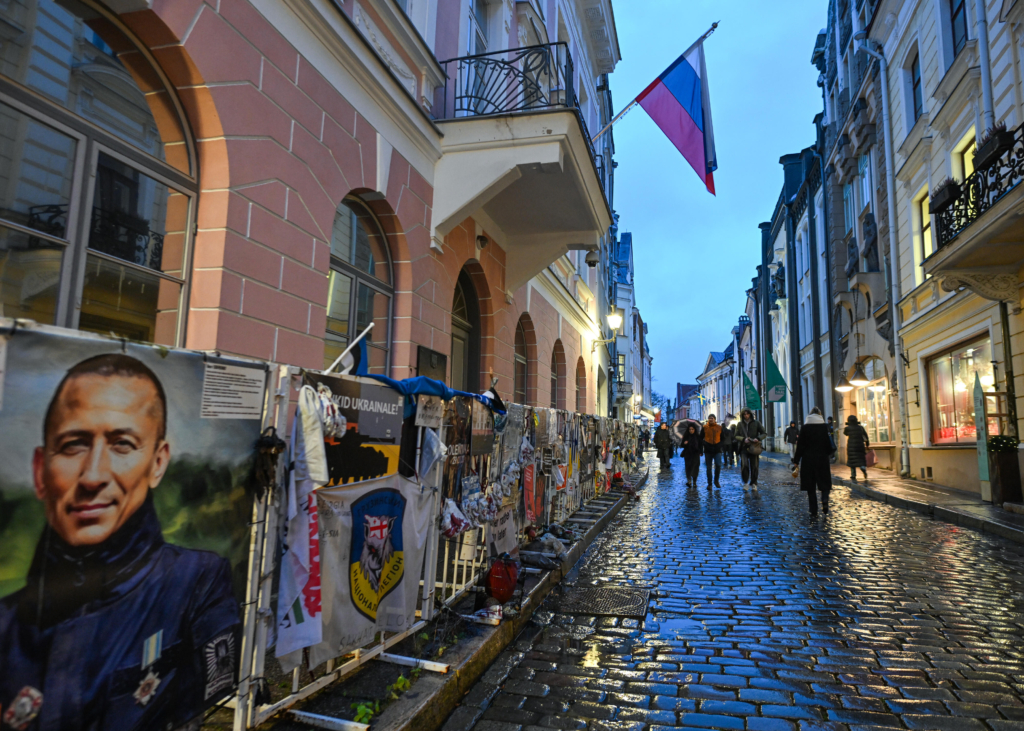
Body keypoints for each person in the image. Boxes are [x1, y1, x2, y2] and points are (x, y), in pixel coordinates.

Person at [0, 354, 240, 731]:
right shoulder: (6, 624)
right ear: (39, 469)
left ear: (158, 463)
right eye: (74, 445)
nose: (93, 475)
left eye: (122, 444)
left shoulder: (196, 583)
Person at [792, 407, 833, 517]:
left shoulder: (805, 428)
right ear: (820, 415)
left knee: (811, 487)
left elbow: (800, 446)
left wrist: (796, 460)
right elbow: (830, 446)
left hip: (808, 460)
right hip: (822, 459)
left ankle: (813, 510)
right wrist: (827, 454)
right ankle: (824, 498)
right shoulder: (825, 427)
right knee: (824, 483)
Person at [734, 408, 767, 489]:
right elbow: (735, 435)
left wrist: (758, 438)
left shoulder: (756, 423)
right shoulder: (739, 424)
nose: (746, 416)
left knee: (754, 466)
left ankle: (754, 483)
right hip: (743, 448)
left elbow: (764, 433)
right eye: (744, 414)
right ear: (742, 415)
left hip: (754, 447)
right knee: (744, 465)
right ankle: (745, 482)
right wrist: (743, 439)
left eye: (747, 414)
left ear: (750, 414)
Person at [844, 415, 870, 482]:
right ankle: (863, 468)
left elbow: (845, 433)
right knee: (861, 459)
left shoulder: (848, 428)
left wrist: (848, 425)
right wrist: (867, 444)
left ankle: (853, 475)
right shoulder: (860, 428)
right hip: (860, 445)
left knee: (852, 461)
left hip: (851, 446)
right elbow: (865, 436)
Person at [702, 414, 724, 488]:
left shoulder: (719, 427)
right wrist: (705, 443)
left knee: (718, 465)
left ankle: (716, 481)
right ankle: (710, 483)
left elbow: (723, 438)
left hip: (717, 450)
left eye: (712, 418)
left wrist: (720, 445)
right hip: (708, 450)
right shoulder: (704, 427)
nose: (710, 419)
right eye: (709, 418)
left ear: (715, 419)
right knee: (709, 467)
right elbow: (700, 437)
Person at [680, 423, 703, 487]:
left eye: (692, 429)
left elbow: (701, 445)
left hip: (696, 454)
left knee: (695, 467)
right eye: (690, 429)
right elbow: (681, 445)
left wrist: (701, 452)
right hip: (688, 454)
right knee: (688, 467)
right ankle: (689, 481)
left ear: (694, 429)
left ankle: (694, 482)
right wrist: (684, 443)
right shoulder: (686, 436)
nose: (691, 430)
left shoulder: (697, 437)